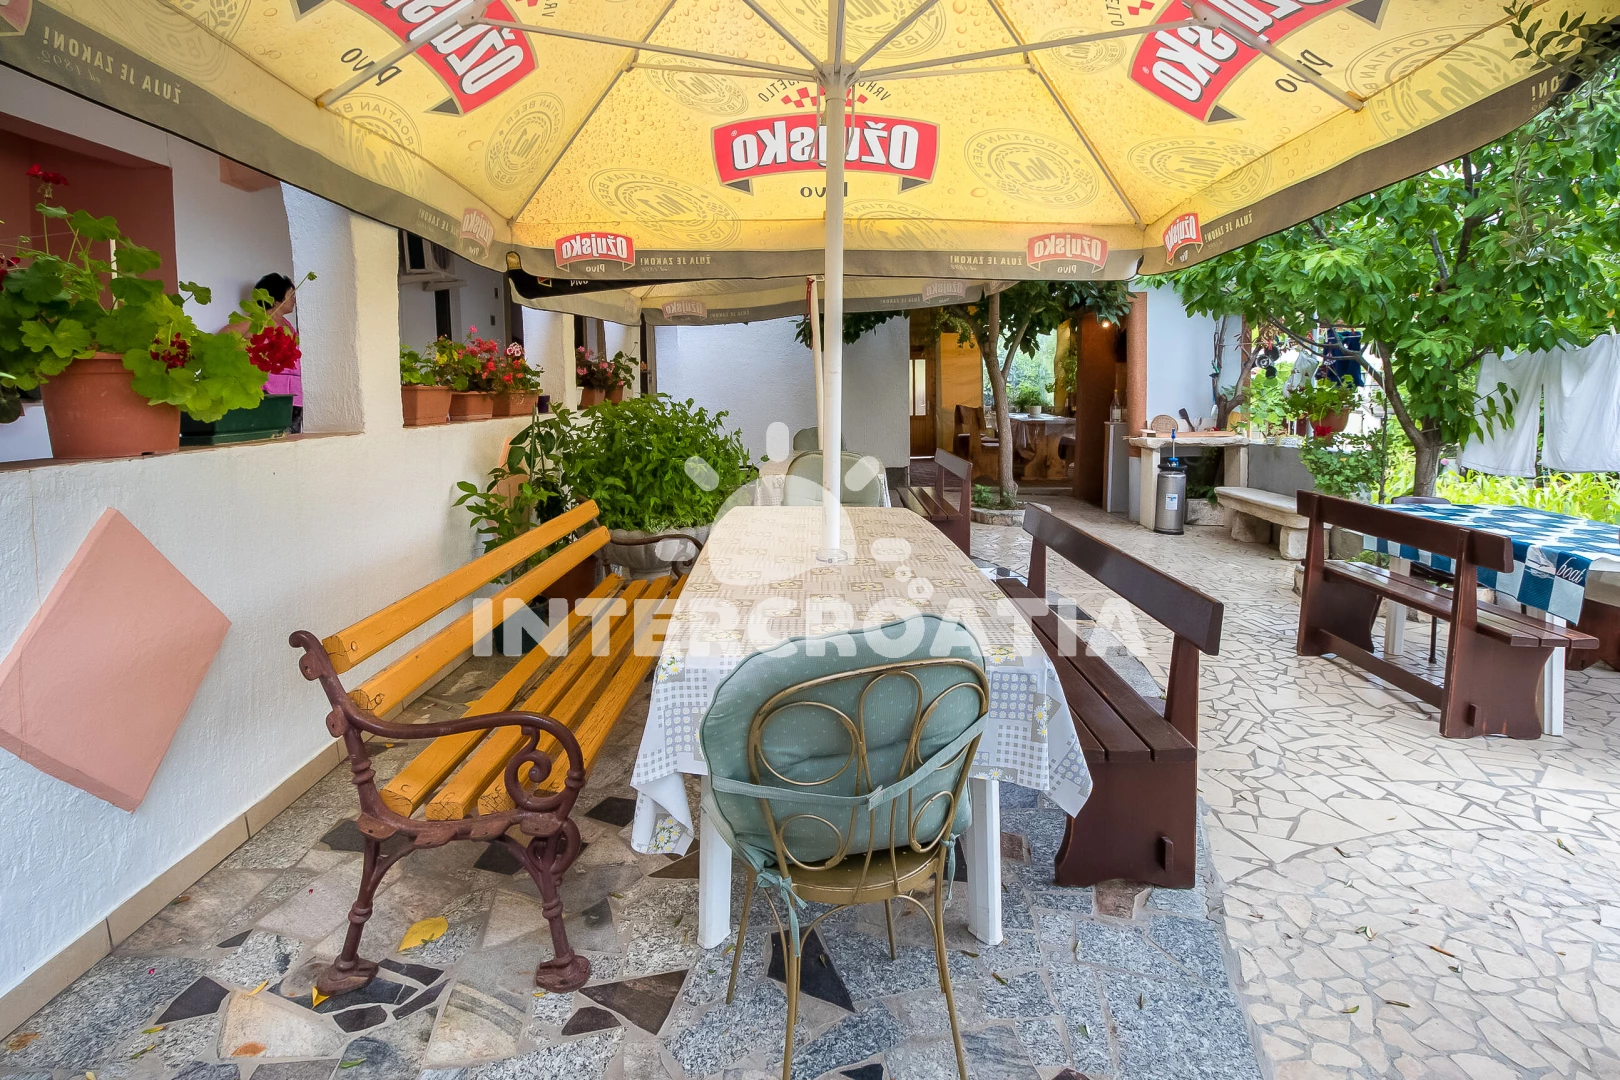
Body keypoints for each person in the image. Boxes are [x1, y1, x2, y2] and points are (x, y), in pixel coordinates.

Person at [226, 272, 304, 432]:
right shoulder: (255, 322)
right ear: (276, 300)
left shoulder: (286, 324)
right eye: (291, 295)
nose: (294, 300)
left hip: (294, 395)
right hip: (269, 392)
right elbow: (223, 339)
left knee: (294, 438)